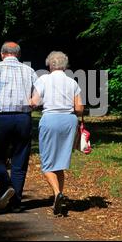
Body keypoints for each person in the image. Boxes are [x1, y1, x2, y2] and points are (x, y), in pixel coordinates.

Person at [0, 42, 38, 212]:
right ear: (18, 55)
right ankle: (16, 201)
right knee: (20, 157)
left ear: (2, 53)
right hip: (23, 118)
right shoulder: (29, 71)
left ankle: (6, 186)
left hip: (1, 118)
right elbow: (37, 96)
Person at [30, 51, 84, 215]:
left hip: (51, 120)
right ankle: (58, 199)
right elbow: (79, 108)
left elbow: (34, 102)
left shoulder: (44, 80)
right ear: (65, 65)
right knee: (59, 162)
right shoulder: (72, 82)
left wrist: (25, 102)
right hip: (69, 121)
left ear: (49, 65)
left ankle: (57, 193)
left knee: (46, 163)